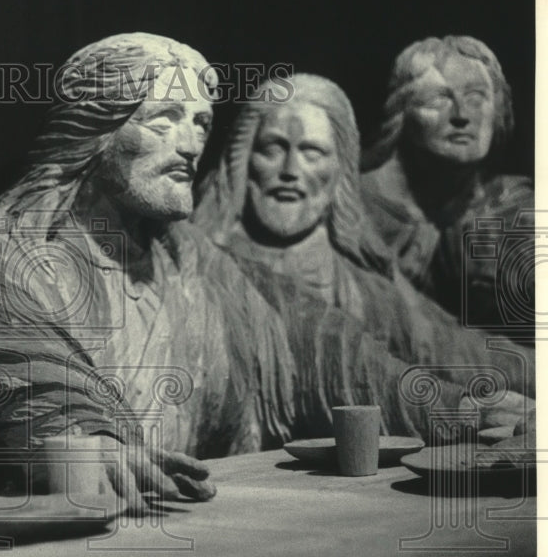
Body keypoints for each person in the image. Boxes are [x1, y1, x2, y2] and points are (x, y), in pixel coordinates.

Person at [0, 33, 508, 512]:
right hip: (65, 545)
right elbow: (31, 378)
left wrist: (459, 408)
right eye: (164, 119)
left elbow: (327, 350)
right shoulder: (5, 248)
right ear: (96, 126)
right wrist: (92, 440)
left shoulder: (194, 259)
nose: (190, 144)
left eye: (200, 123)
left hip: (194, 525)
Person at [193, 73, 534, 399]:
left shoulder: (364, 286)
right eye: (273, 148)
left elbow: (452, 348)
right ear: (244, 160)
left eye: (312, 152)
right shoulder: (196, 270)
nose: (290, 172)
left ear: (339, 171)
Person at [360, 35, 534, 339]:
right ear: (401, 111)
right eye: (438, 99)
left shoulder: (507, 208)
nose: (461, 116)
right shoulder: (351, 204)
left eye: (476, 98)